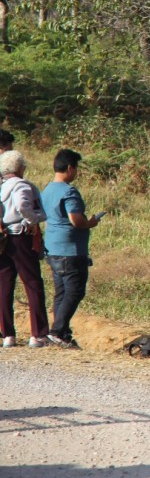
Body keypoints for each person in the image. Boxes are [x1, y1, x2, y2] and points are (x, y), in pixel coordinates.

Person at [42, 149, 103, 348]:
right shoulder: (69, 191)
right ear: (70, 168)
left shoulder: (48, 189)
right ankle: (57, 331)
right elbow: (76, 220)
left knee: (61, 292)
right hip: (70, 249)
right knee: (75, 291)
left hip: (52, 247)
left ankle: (61, 332)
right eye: (76, 168)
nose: (76, 173)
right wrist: (91, 222)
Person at [0, 150, 49, 347]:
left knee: (4, 285)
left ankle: (8, 335)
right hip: (20, 235)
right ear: (20, 168)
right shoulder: (22, 185)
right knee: (33, 283)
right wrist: (32, 220)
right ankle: (37, 334)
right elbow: (22, 205)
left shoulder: (1, 187)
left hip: (2, 238)